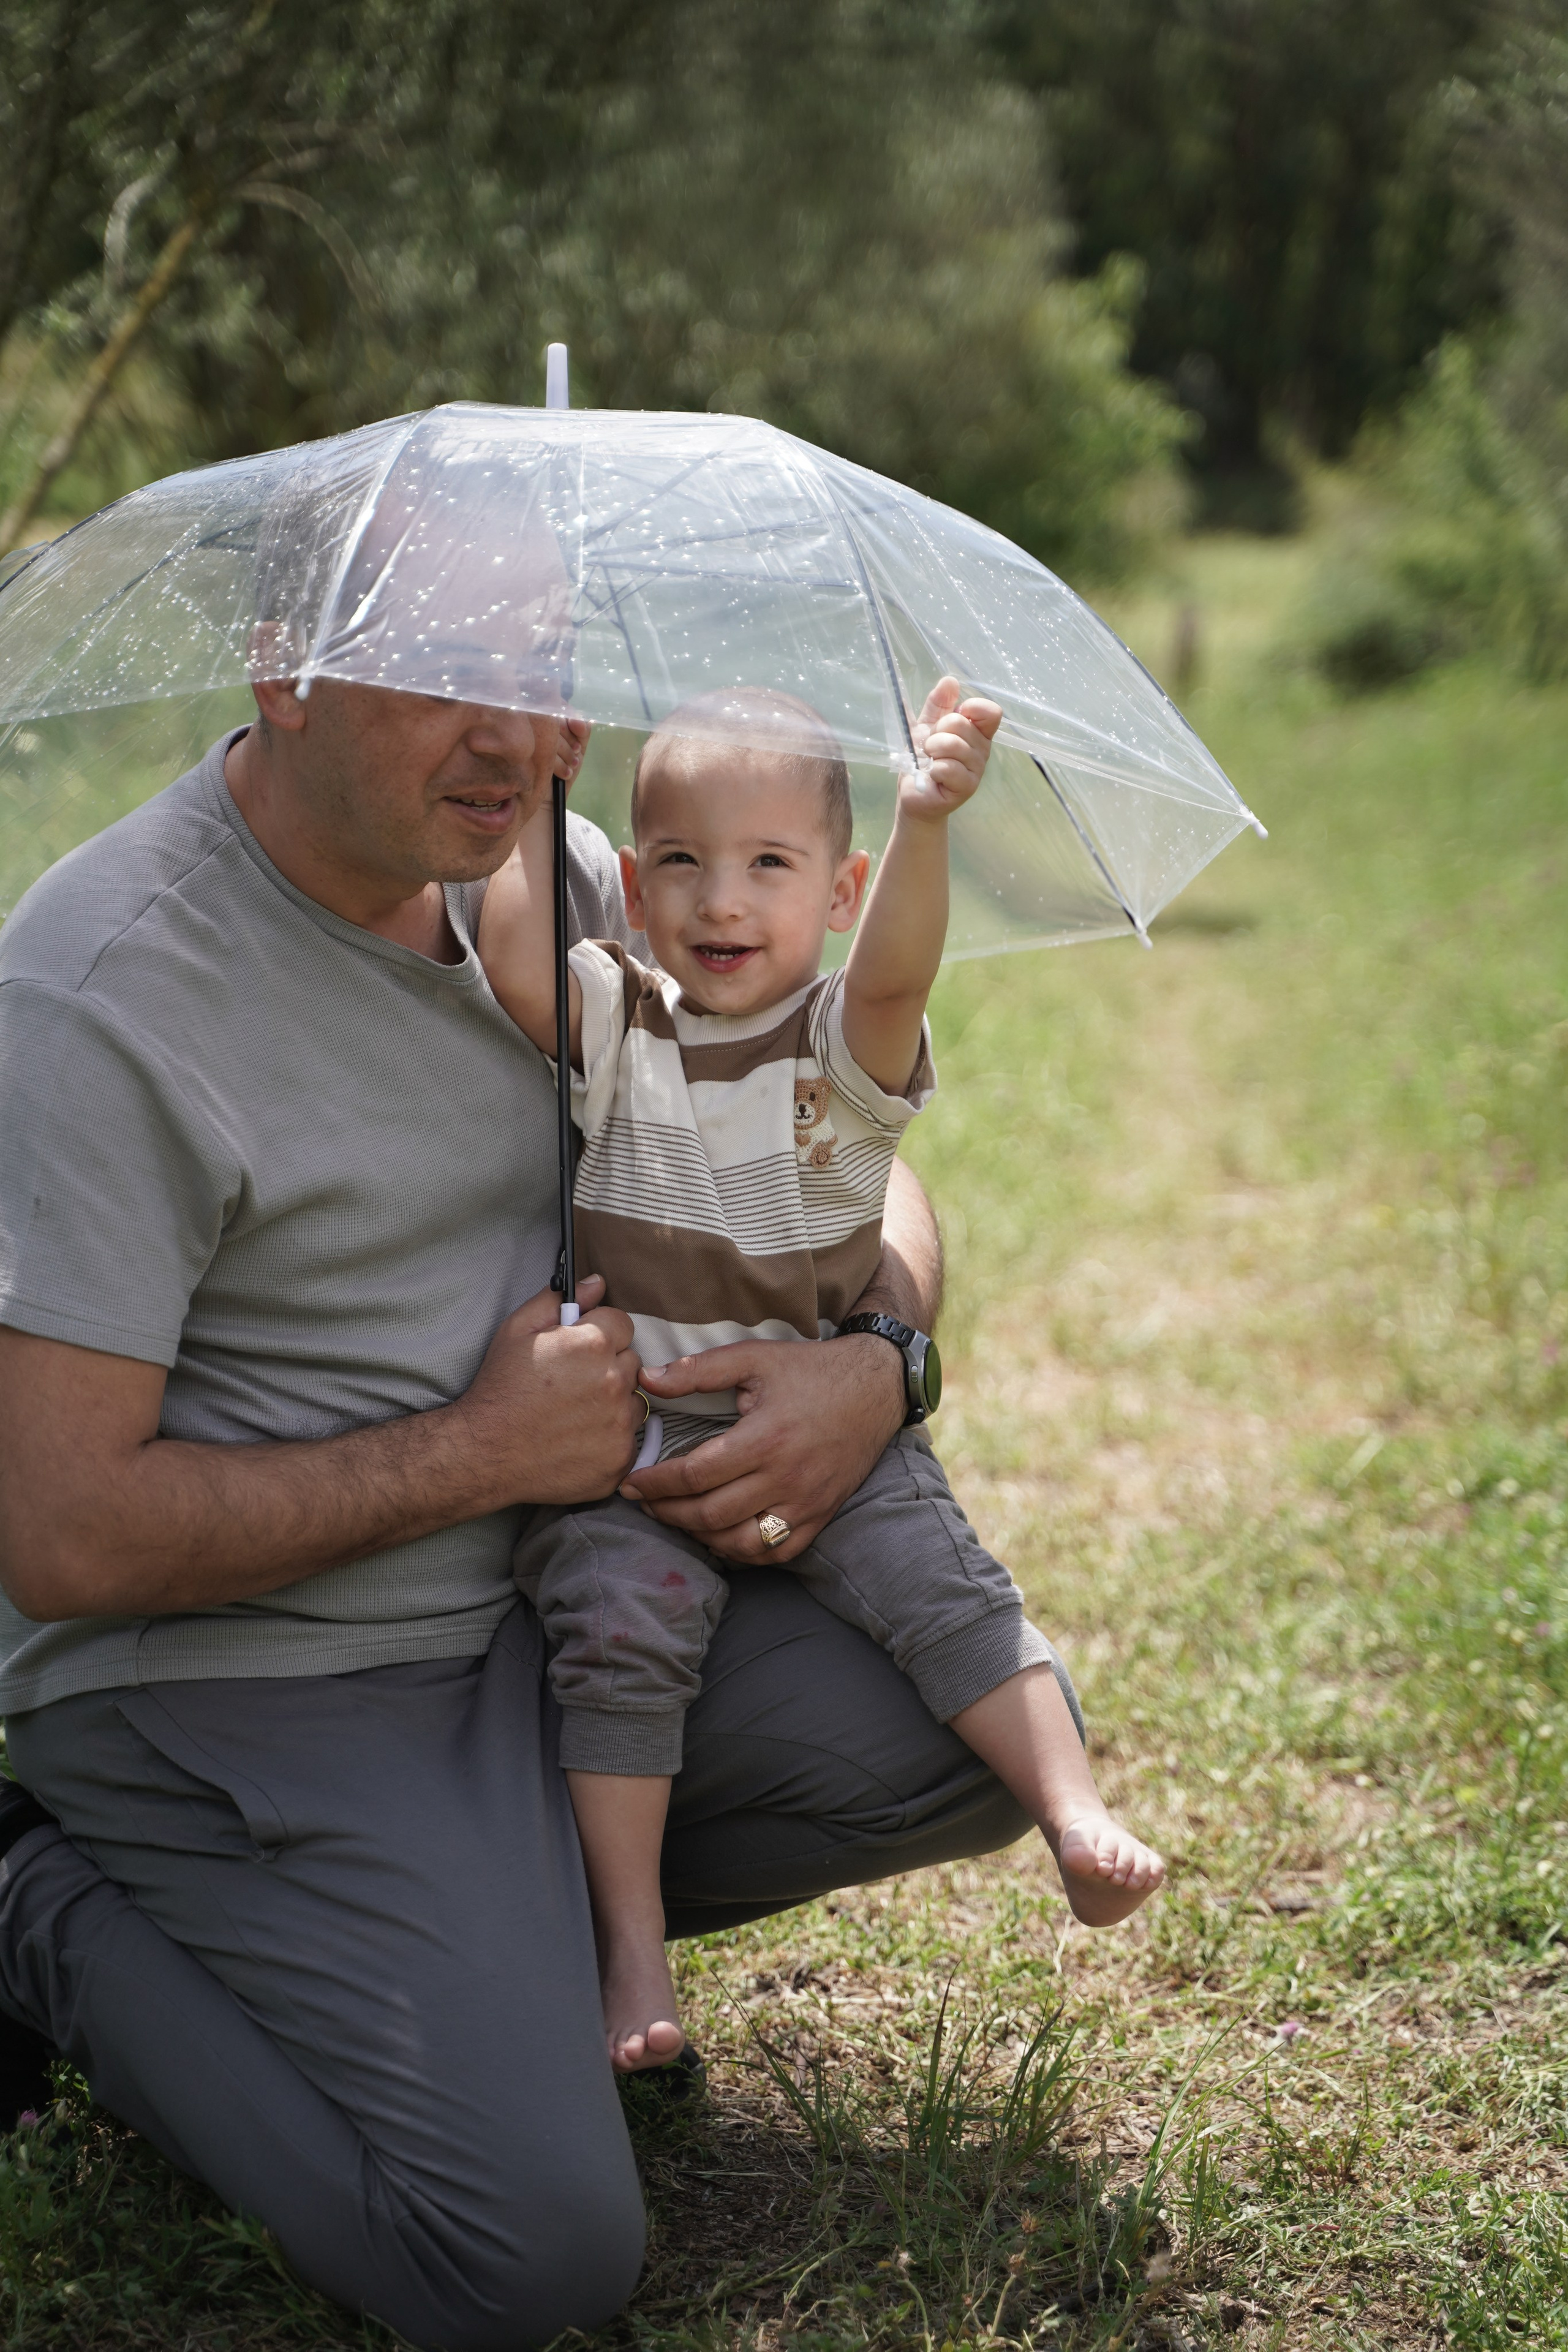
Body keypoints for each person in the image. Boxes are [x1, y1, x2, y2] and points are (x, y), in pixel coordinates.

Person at [0, 654, 1051, 2352]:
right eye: (449, 678)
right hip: (250, 1678)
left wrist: (876, 1358)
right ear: (290, 671)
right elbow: (58, 1541)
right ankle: (42, 1917)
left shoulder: (573, 860)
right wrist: (485, 1454)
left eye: (539, 677)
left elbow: (842, 1144)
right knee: (528, 2258)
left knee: (969, 1722)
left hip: (551, 1595)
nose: (517, 738)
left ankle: (468, 1928)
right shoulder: (108, 982)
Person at [478, 683, 1164, 2076]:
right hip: (635, 1446)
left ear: (838, 891)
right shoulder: (623, 1016)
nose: (719, 901)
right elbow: (513, 957)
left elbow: (902, 970)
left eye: (768, 866)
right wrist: (539, 793)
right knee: (617, 1634)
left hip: (823, 1432)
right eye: (677, 861)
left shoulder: (837, 1056)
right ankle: (629, 1946)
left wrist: (925, 818)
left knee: (944, 1586)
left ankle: (1074, 1815)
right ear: (632, 880)